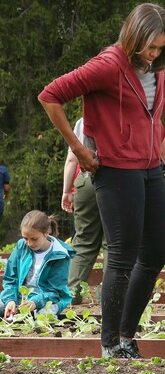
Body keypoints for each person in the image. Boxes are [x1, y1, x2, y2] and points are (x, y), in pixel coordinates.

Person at [38, 3, 165, 359]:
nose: (154, 54)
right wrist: (80, 149)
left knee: (155, 254)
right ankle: (110, 344)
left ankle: (126, 336)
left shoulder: (156, 70)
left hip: (149, 170)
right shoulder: (108, 65)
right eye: (150, 46)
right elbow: (50, 95)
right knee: (121, 254)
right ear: (133, 37)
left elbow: (155, 124)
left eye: (161, 48)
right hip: (115, 169)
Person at [61, 118, 106, 305]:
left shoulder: (84, 120)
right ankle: (112, 300)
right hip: (117, 179)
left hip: (86, 180)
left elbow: (72, 158)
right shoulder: (126, 111)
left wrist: (66, 191)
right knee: (114, 244)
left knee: (84, 241)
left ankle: (70, 296)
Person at [1, 211, 75, 319]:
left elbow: (55, 291)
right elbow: (10, 279)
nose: (29, 243)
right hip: (20, 298)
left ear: (46, 232)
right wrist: (10, 300)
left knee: (43, 316)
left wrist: (36, 302)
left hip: (48, 299)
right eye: (25, 238)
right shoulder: (21, 246)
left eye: (34, 239)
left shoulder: (59, 255)